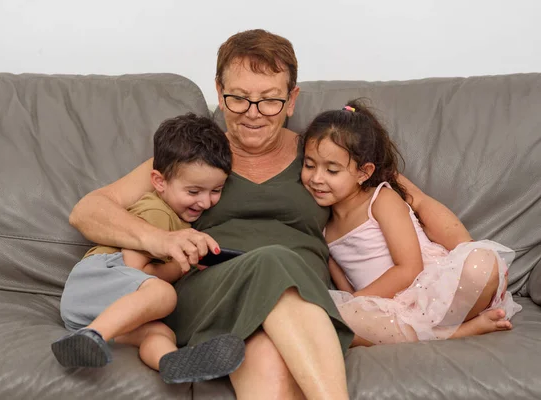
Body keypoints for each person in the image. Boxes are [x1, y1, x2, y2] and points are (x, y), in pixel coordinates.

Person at [68, 29, 486, 399]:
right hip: (211, 295)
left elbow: (406, 198)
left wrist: (467, 256)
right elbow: (88, 210)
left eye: (269, 100)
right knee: (274, 259)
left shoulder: (322, 154)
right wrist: (160, 240)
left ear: (292, 99)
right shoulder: (197, 157)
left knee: (268, 354)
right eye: (239, 97)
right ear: (218, 91)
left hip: (301, 305)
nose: (252, 112)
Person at [300, 100, 522, 346]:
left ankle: (441, 328)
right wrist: (356, 306)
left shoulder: (380, 199)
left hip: (432, 291)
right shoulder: (324, 227)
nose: (316, 178)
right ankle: (454, 332)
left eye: (332, 171)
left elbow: (409, 268)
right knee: (329, 319)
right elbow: (347, 289)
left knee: (482, 261)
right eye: (309, 165)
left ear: (364, 173)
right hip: (389, 310)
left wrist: (359, 300)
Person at [52, 113, 245, 384]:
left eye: (216, 190)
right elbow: (134, 269)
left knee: (159, 334)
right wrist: (181, 267)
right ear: (159, 181)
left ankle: (172, 362)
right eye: (194, 192)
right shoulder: (156, 211)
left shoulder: (180, 217)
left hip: (98, 310)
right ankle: (92, 335)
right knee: (163, 295)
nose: (205, 201)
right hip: (98, 278)